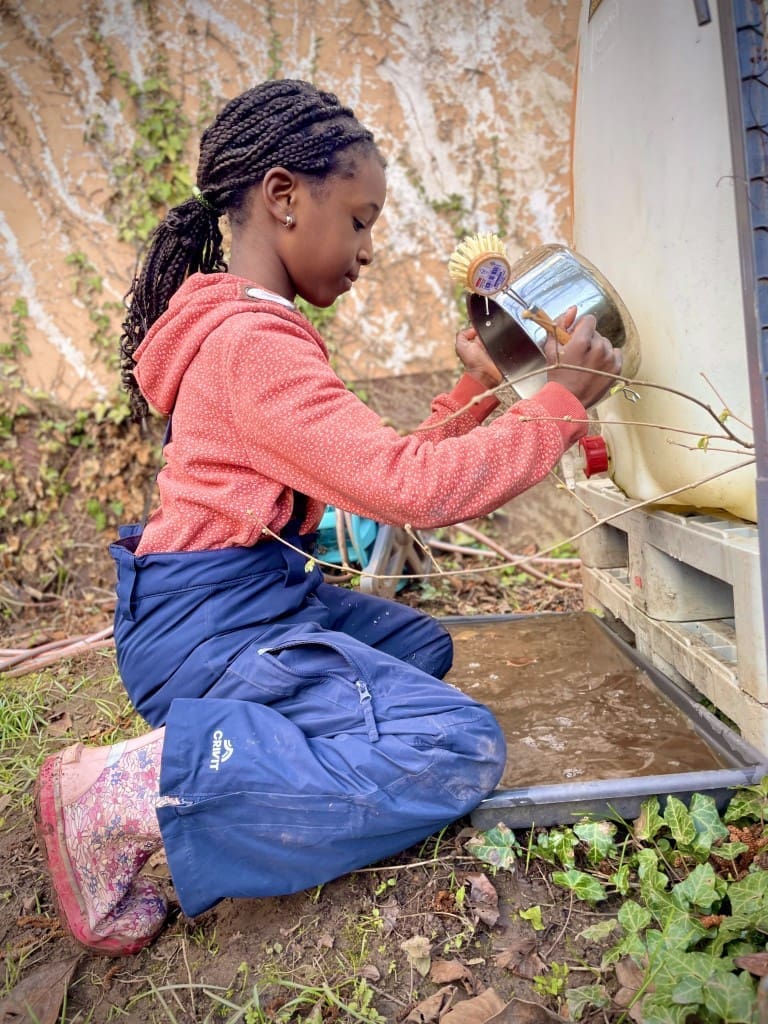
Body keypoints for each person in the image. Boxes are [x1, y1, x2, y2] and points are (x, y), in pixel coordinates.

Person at [34, 79, 622, 957]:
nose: (368, 250)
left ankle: (231, 737)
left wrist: (477, 389)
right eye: (358, 221)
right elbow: (410, 488)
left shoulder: (248, 328)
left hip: (232, 605)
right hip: (210, 627)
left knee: (417, 649)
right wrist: (561, 403)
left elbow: (370, 471)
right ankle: (128, 789)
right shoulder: (251, 347)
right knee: (457, 743)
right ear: (283, 197)